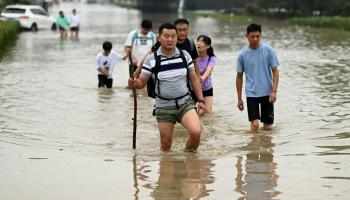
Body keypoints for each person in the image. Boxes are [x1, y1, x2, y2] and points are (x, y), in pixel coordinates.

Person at [128, 23, 205, 152]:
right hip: (164, 107)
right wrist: (135, 84)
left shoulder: (184, 55)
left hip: (185, 103)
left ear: (176, 38)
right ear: (159, 38)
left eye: (173, 36)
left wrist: (201, 100)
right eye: (166, 36)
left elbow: (194, 79)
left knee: (196, 132)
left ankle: (188, 160)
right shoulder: (152, 60)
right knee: (165, 145)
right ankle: (167, 167)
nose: (170, 39)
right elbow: (142, 82)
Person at [236, 23, 280, 132]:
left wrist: (274, 91)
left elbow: (275, 72)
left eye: (258, 36)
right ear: (247, 36)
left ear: (260, 35)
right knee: (254, 125)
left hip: (267, 93)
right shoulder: (242, 54)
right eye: (252, 36)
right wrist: (239, 98)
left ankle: (264, 148)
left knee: (268, 127)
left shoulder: (269, 50)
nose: (255, 39)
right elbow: (239, 77)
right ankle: (254, 148)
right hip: (251, 93)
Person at [194, 35, 216, 114]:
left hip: (207, 88)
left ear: (208, 46)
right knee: (192, 113)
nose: (199, 43)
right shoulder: (193, 56)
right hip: (193, 88)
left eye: (202, 42)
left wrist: (202, 77)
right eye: (198, 41)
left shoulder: (211, 58)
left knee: (207, 113)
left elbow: (208, 70)